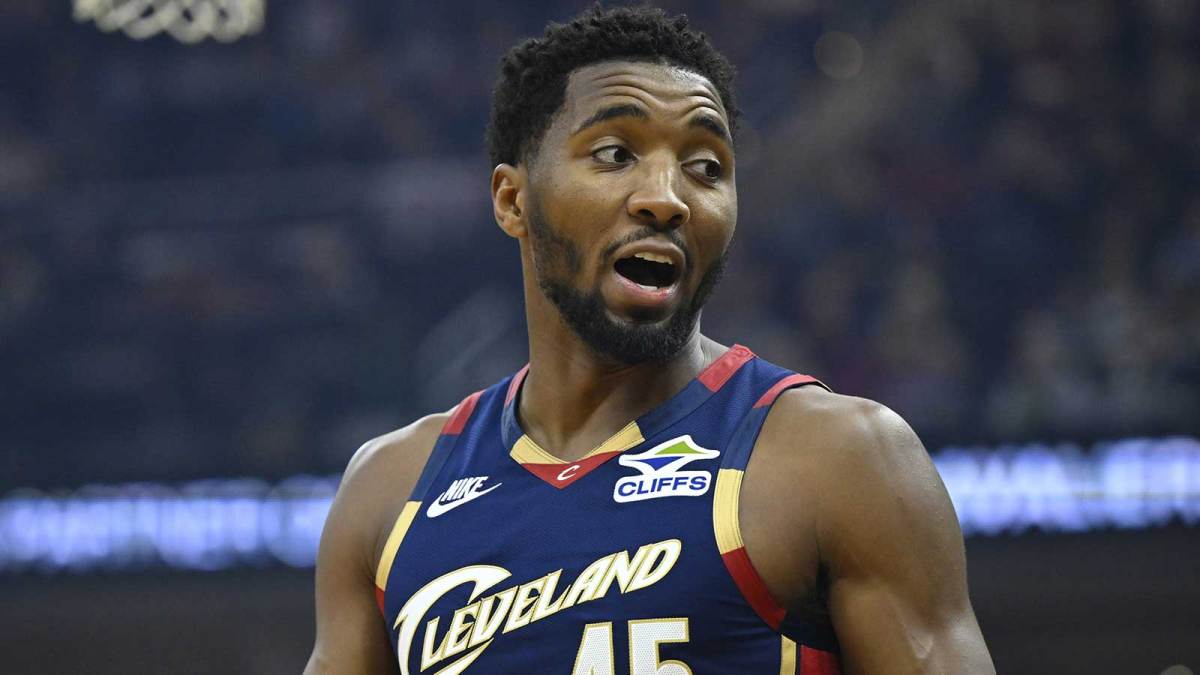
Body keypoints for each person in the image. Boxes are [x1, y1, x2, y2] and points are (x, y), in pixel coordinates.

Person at [305, 5, 994, 674]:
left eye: (706, 166)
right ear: (513, 201)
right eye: (615, 153)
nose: (667, 197)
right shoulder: (391, 491)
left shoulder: (840, 457)